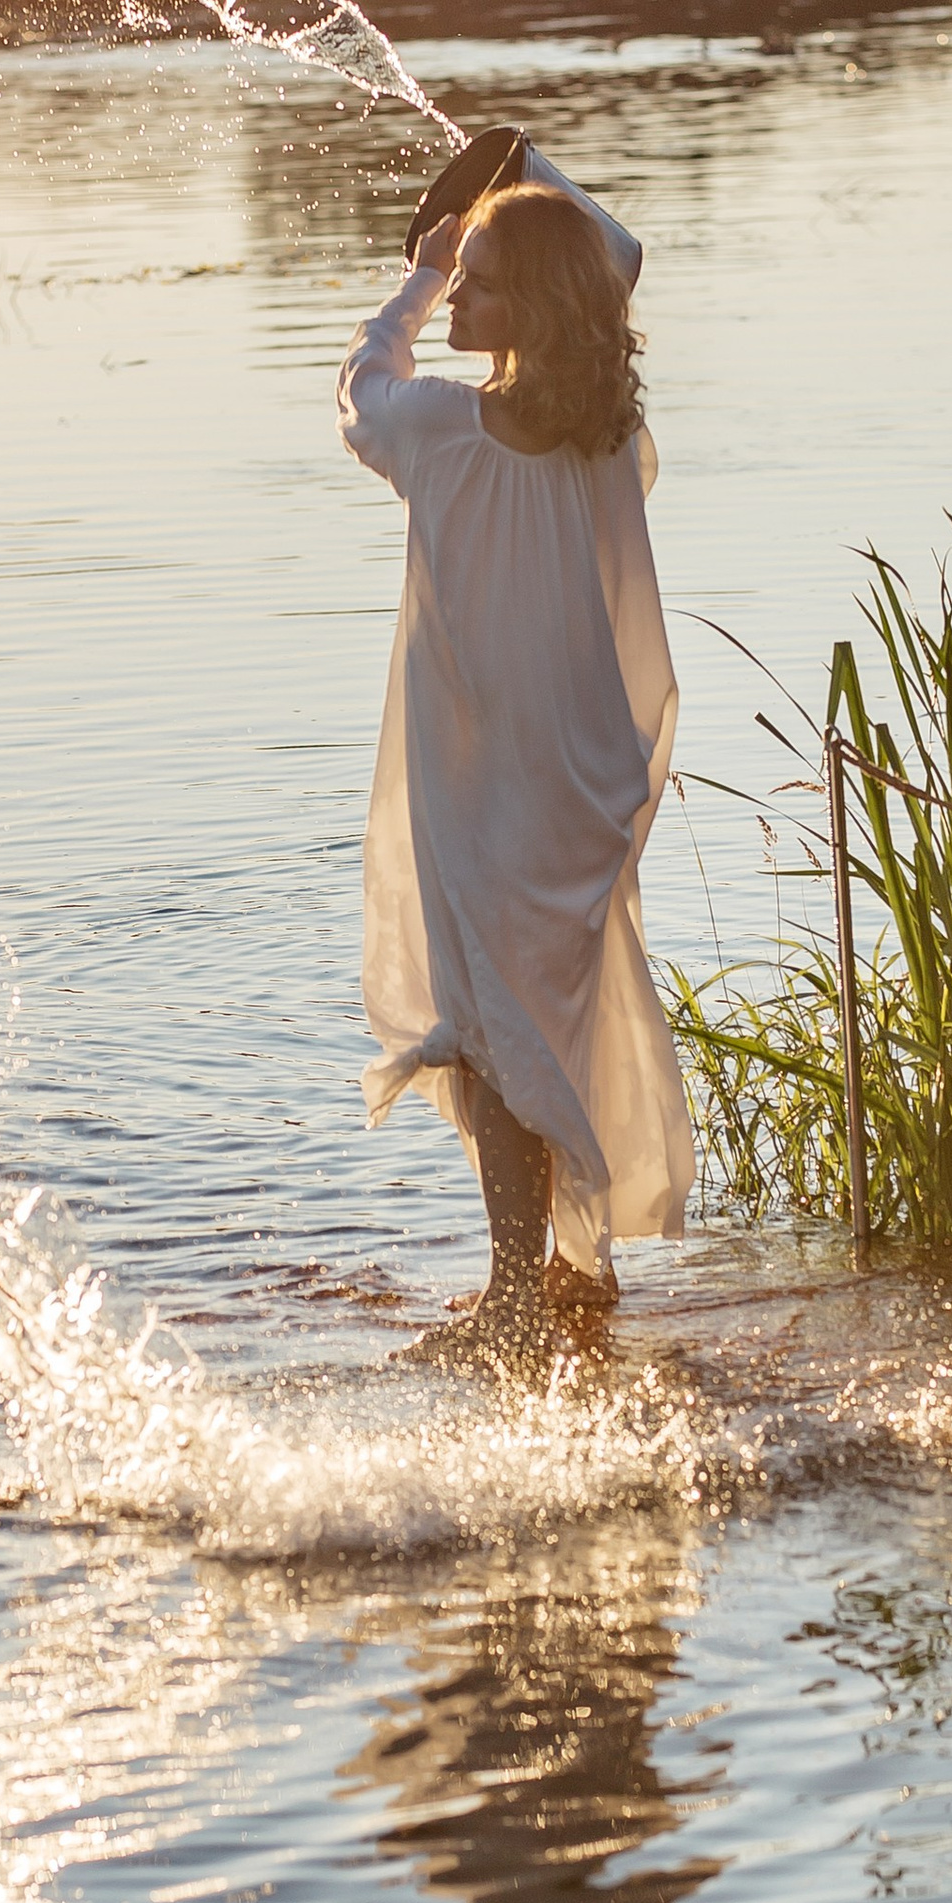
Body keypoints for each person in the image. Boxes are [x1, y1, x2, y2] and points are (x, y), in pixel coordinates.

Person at [338, 170, 695, 1371]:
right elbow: (616, 253)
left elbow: (355, 391)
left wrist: (423, 266)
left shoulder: (437, 429)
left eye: (483, 289)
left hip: (489, 785)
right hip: (582, 776)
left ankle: (510, 1300)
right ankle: (572, 1270)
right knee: (547, 1011)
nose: (458, 301)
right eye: (458, 285)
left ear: (529, 306)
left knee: (495, 1033)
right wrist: (524, 175)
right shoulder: (603, 424)